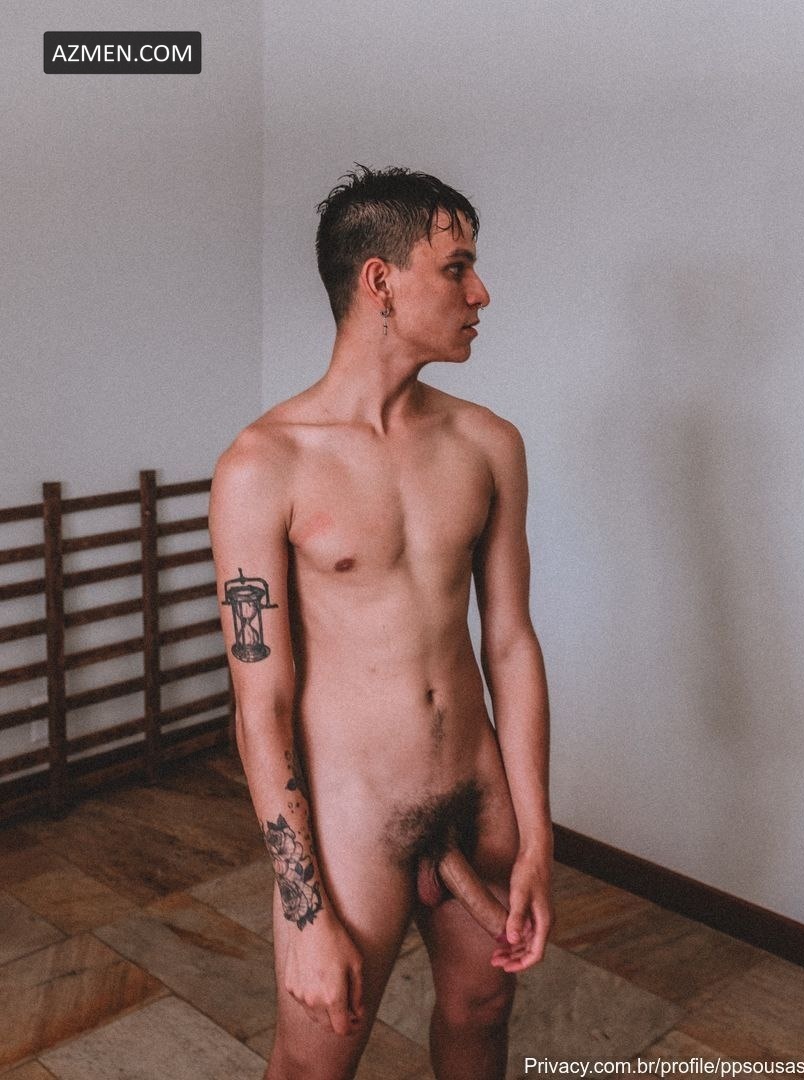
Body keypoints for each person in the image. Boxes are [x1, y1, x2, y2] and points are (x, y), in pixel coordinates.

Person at [209, 166, 554, 1080]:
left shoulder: (488, 442)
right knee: (315, 1059)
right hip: (354, 820)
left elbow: (510, 642)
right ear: (380, 282)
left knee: (481, 1013)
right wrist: (303, 909)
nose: (480, 294)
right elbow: (259, 703)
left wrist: (536, 832)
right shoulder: (263, 465)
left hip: (477, 795)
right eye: (456, 268)